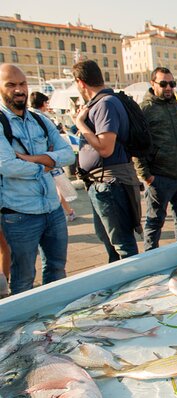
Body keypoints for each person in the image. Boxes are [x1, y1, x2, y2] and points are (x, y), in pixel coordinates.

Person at [0, 63, 75, 294]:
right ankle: (22, 327)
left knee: (57, 270)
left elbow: (69, 154)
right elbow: (7, 165)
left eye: (22, 84)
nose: (19, 89)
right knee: (23, 278)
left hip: (53, 210)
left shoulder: (40, 120)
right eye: (11, 85)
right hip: (20, 215)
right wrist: (48, 162)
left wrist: (31, 159)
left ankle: (53, 321)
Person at [73, 60, 142, 263]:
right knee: (111, 240)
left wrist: (79, 123)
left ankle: (134, 284)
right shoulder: (103, 103)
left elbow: (105, 148)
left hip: (111, 184)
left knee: (122, 244)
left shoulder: (105, 104)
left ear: (80, 83)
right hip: (103, 183)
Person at [136, 67, 177, 250]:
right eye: (163, 84)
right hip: (159, 177)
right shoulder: (145, 110)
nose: (168, 87)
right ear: (153, 84)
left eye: (172, 84)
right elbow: (137, 145)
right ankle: (150, 260)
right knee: (154, 223)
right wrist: (146, 176)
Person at [29, 91, 77, 222]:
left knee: (52, 188)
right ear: (43, 103)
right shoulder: (42, 118)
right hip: (48, 160)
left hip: (35, 162)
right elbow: (56, 144)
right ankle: (66, 212)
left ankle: (66, 211)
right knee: (56, 188)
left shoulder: (29, 117)